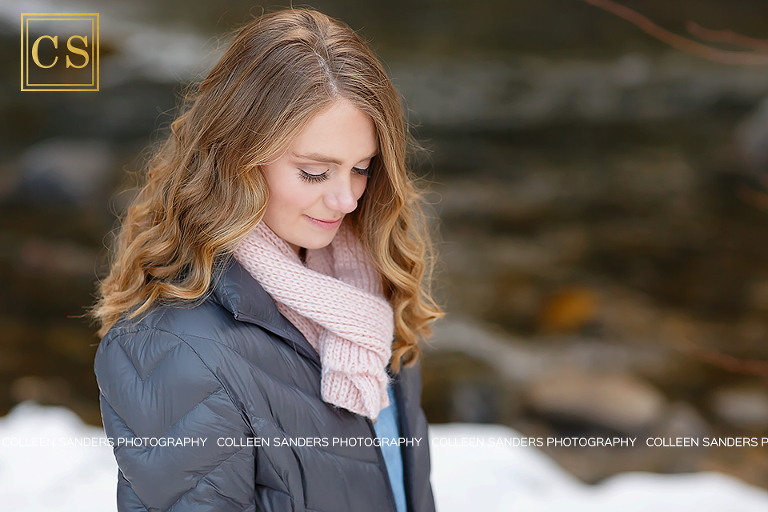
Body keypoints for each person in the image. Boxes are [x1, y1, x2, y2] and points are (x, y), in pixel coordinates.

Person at [87, 6, 445, 512]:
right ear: (238, 158)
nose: (346, 199)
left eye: (362, 169)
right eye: (315, 173)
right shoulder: (176, 349)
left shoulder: (367, 291)